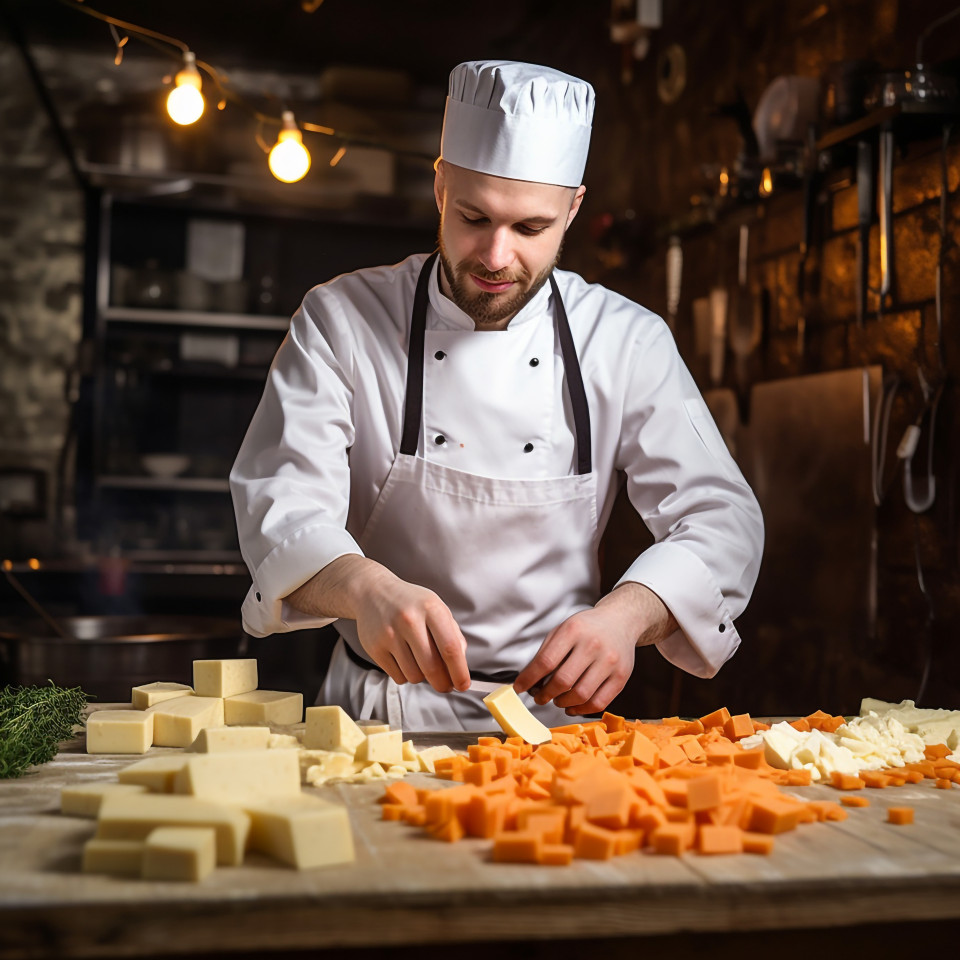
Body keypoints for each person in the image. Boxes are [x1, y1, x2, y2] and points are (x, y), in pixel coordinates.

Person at [230, 60, 764, 731]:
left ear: (572, 208)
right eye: (473, 216)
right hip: (376, 721)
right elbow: (280, 508)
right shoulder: (340, 320)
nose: (494, 256)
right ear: (440, 184)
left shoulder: (626, 340)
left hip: (553, 728)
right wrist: (366, 588)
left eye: (531, 229)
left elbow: (722, 519)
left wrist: (628, 614)